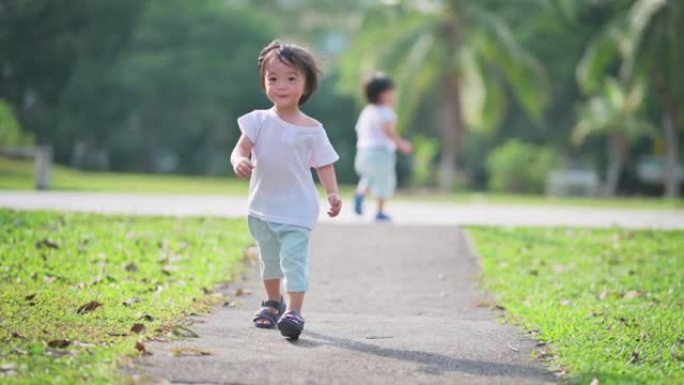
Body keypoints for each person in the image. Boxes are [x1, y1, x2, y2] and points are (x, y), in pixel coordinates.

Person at [230, 40, 341, 340]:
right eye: (273, 78)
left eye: (291, 78)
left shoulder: (312, 129)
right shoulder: (257, 121)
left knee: (293, 260)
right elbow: (239, 149)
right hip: (262, 207)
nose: (282, 85)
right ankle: (271, 302)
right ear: (264, 82)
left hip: (297, 210)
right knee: (269, 259)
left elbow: (324, 165)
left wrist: (332, 193)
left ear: (306, 85)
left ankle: (294, 311)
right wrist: (239, 160)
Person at [353, 73, 412, 221]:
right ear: (382, 95)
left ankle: (360, 193)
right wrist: (401, 144)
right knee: (384, 181)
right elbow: (388, 131)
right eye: (391, 92)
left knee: (368, 177)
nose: (394, 96)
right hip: (381, 152)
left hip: (363, 151)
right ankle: (379, 211)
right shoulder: (386, 112)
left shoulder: (367, 111)